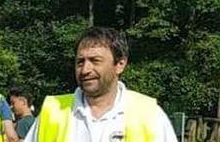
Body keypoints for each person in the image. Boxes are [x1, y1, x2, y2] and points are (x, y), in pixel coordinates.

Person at [23, 27, 178, 142]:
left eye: (95, 61)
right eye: (80, 62)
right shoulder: (53, 112)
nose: (85, 70)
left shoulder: (149, 115)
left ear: (120, 64)